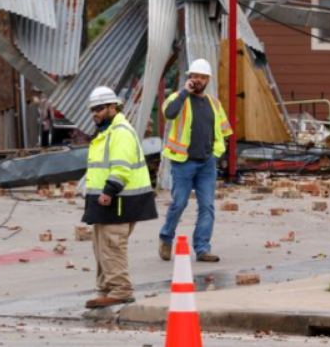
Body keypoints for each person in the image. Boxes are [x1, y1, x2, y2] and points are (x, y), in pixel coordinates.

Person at [83, 87, 159, 309]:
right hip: (105, 201)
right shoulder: (107, 133)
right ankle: (106, 289)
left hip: (118, 200)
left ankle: (120, 290)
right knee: (101, 247)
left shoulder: (121, 132)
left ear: (112, 107)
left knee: (112, 245)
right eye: (92, 110)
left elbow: (122, 168)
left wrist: (109, 191)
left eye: (98, 109)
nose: (95, 113)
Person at [159, 59, 234, 264]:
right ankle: (166, 238)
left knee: (207, 206)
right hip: (183, 163)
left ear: (208, 79)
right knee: (179, 203)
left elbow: (224, 131)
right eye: (195, 76)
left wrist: (217, 155)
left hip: (207, 164)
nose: (198, 80)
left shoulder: (214, 103)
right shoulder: (178, 98)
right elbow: (169, 113)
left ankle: (202, 248)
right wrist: (185, 92)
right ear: (189, 77)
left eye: (202, 77)